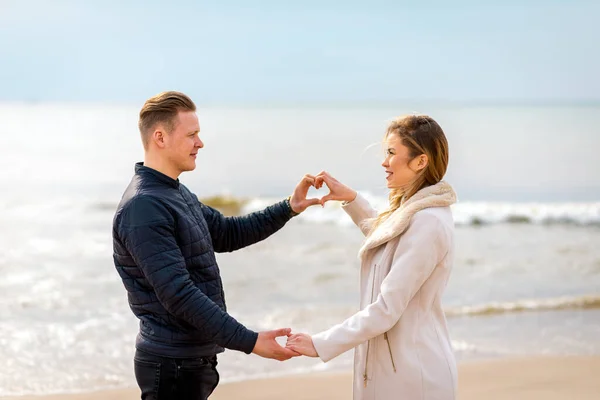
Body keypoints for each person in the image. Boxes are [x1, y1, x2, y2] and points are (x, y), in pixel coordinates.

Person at [112, 91, 320, 400]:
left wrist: (290, 206)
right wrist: (250, 341)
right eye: (192, 134)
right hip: (172, 364)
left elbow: (228, 232)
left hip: (190, 360)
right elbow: (179, 294)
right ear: (160, 137)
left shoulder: (174, 193)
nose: (200, 143)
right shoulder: (145, 207)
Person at [286, 115, 458, 400]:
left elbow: (386, 308)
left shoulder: (429, 222)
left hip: (415, 379)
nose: (384, 162)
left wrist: (320, 343)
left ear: (420, 161)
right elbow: (387, 236)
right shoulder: (413, 212)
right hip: (393, 372)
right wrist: (350, 199)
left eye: (392, 153)